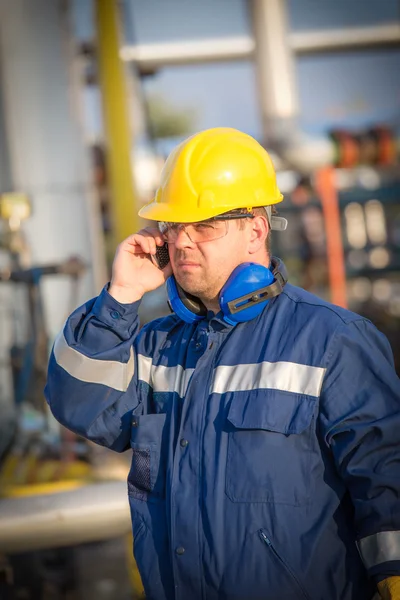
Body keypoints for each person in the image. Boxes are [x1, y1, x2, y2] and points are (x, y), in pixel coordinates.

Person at [45, 128, 400, 600]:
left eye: (205, 225)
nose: (183, 241)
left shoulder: (333, 341)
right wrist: (121, 297)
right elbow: (77, 402)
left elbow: (386, 474)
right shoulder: (156, 345)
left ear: (256, 229)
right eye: (173, 226)